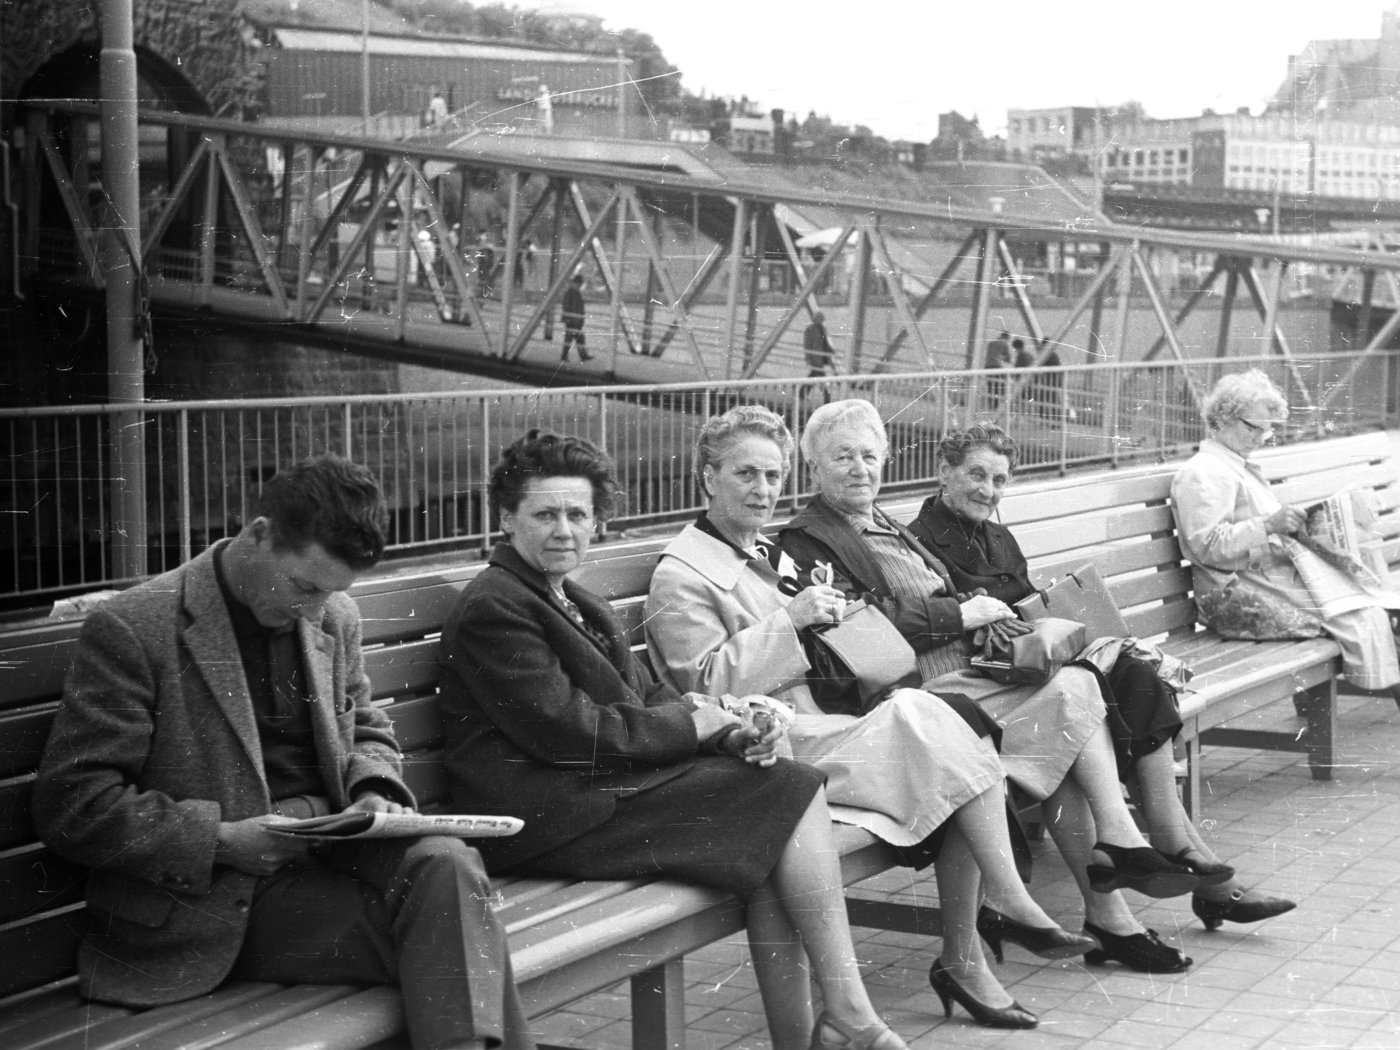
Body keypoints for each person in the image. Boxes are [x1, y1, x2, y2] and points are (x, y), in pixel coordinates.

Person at [33, 456, 531, 1050]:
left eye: (332, 593)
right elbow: (73, 804)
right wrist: (222, 838)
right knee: (456, 942)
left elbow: (367, 726)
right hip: (214, 907)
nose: (315, 611)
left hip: (327, 856)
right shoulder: (136, 627)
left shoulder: (332, 612)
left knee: (448, 864)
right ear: (258, 533)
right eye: (303, 587)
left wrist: (375, 789)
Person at [437, 430, 909, 1050]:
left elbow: (644, 702)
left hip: (597, 793)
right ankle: (846, 1016)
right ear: (506, 519)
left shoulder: (571, 597)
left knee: (776, 801)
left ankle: (824, 1028)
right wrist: (698, 725)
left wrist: (731, 733)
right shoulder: (496, 607)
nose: (564, 530)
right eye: (545, 515)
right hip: (544, 815)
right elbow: (572, 733)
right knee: (787, 793)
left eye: (578, 514)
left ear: (596, 521)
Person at [645, 406, 1103, 1032]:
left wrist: (825, 623)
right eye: (745, 474)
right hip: (767, 749)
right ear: (708, 479)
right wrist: (794, 619)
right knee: (935, 720)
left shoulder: (756, 552)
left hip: (820, 726)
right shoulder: (683, 574)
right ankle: (996, 909)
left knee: (947, 723)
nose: (762, 490)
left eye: (773, 476)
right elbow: (698, 684)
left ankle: (996, 913)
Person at [766, 400, 1202, 975]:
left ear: (887, 463)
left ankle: (1112, 890)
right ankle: (1110, 886)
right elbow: (855, 634)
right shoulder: (809, 539)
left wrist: (991, 622)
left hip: (966, 683)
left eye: (870, 456)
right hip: (916, 703)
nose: (859, 468)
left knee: (1075, 693)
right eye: (842, 456)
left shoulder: (884, 524)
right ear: (813, 467)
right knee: (1074, 697)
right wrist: (960, 616)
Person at [909, 419, 1296, 933]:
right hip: (993, 688)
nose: (988, 490)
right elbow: (957, 635)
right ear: (944, 471)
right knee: (1118, 686)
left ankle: (1181, 852)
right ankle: (1191, 862)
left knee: (1133, 671)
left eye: (999, 480)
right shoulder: (921, 543)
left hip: (1033, 673)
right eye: (976, 475)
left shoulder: (998, 536)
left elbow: (1029, 609)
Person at [1173, 368, 1400, 704]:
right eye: (1253, 428)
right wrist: (1267, 525)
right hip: (1236, 595)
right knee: (1363, 613)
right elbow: (1207, 546)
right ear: (1223, 418)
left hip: (1264, 580)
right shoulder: (1203, 472)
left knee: (1370, 601)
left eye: (1267, 431)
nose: (1260, 438)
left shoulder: (1234, 465)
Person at [560, 273, 592, 362]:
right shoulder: (571, 293)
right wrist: (569, 318)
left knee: (577, 338)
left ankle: (580, 355)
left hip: (575, 320)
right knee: (574, 338)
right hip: (572, 320)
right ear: (574, 283)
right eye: (578, 283)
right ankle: (579, 355)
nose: (579, 285)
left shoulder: (573, 292)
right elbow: (567, 306)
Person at [804, 312, 836, 378]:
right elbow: (807, 344)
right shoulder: (810, 329)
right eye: (820, 318)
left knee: (815, 374)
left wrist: (830, 350)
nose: (822, 320)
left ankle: (803, 387)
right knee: (818, 374)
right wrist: (808, 358)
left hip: (823, 354)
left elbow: (825, 342)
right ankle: (835, 385)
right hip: (815, 356)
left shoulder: (822, 328)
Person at [985, 331, 1012, 408]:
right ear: (1007, 338)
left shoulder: (991, 343)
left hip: (988, 366)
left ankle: (990, 404)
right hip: (997, 367)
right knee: (997, 386)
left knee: (990, 386)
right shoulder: (1004, 344)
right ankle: (996, 405)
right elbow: (1008, 359)